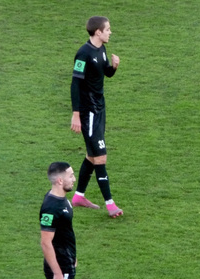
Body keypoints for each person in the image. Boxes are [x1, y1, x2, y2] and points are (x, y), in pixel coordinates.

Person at [70, 16, 123, 218]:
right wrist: (76, 115)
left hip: (100, 109)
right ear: (98, 32)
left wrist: (114, 67)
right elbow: (75, 84)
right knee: (100, 157)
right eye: (107, 29)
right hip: (88, 112)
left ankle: (78, 197)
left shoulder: (101, 49)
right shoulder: (83, 54)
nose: (110, 32)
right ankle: (110, 205)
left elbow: (105, 73)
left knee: (92, 156)